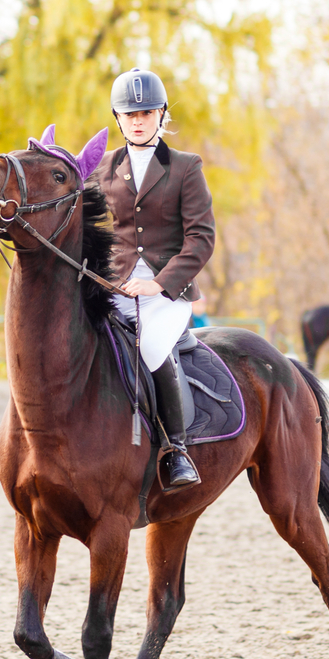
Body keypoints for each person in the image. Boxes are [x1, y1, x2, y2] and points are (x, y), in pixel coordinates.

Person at [96, 68, 215, 487]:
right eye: (130, 114)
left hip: (166, 293)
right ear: (118, 118)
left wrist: (160, 283)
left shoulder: (185, 167)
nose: (139, 120)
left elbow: (202, 238)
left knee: (150, 346)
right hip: (115, 286)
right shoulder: (104, 169)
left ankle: (176, 448)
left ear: (161, 113)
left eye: (146, 112)